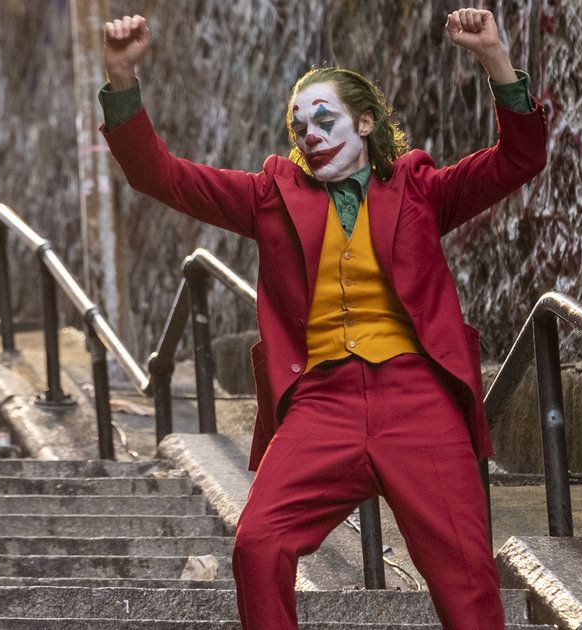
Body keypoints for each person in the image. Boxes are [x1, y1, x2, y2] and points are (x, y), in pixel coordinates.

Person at [100, 8, 547, 629]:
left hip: (419, 399)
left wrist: (495, 61)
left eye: (325, 118)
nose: (310, 133)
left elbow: (518, 158)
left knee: (466, 577)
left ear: (365, 123)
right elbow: (160, 176)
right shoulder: (271, 196)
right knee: (258, 546)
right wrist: (122, 79)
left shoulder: (419, 189)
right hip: (321, 403)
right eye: (299, 124)